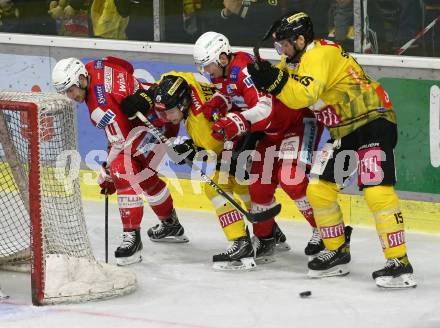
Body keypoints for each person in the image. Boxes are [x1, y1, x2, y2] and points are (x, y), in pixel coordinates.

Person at [246, 11, 416, 288]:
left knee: (376, 190)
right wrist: (269, 78)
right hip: (345, 131)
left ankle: (399, 262)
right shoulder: (297, 59)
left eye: (284, 45)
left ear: (300, 39)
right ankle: (336, 250)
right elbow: (290, 96)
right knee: (319, 189)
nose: (282, 51)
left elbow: (303, 96)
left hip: (374, 121)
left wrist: (273, 80)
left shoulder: (318, 55)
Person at [122, 71, 289, 270]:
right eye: (161, 112)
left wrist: (190, 150)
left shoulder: (201, 125)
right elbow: (167, 80)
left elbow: (212, 153)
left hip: (242, 139)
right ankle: (270, 232)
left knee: (217, 186)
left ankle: (240, 243)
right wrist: (145, 98)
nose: (164, 118)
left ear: (183, 104)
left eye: (169, 112)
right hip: (249, 126)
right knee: (242, 184)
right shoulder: (182, 82)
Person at [193, 31, 324, 261]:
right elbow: (230, 94)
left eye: (208, 66)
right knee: (259, 186)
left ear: (223, 58)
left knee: (291, 179)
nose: (206, 72)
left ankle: (325, 230)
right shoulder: (228, 70)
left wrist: (235, 122)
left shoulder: (245, 72)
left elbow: (265, 109)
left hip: (296, 124)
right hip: (270, 130)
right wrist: (217, 103)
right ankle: (265, 240)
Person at [51, 57, 189, 266]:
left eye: (70, 90)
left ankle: (132, 238)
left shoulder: (99, 106)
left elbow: (121, 142)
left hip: (150, 129)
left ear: (81, 79)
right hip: (162, 117)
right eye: (65, 92)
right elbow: (127, 66)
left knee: (120, 170)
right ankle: (170, 225)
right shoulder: (97, 65)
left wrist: (106, 174)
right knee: (145, 176)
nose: (70, 96)